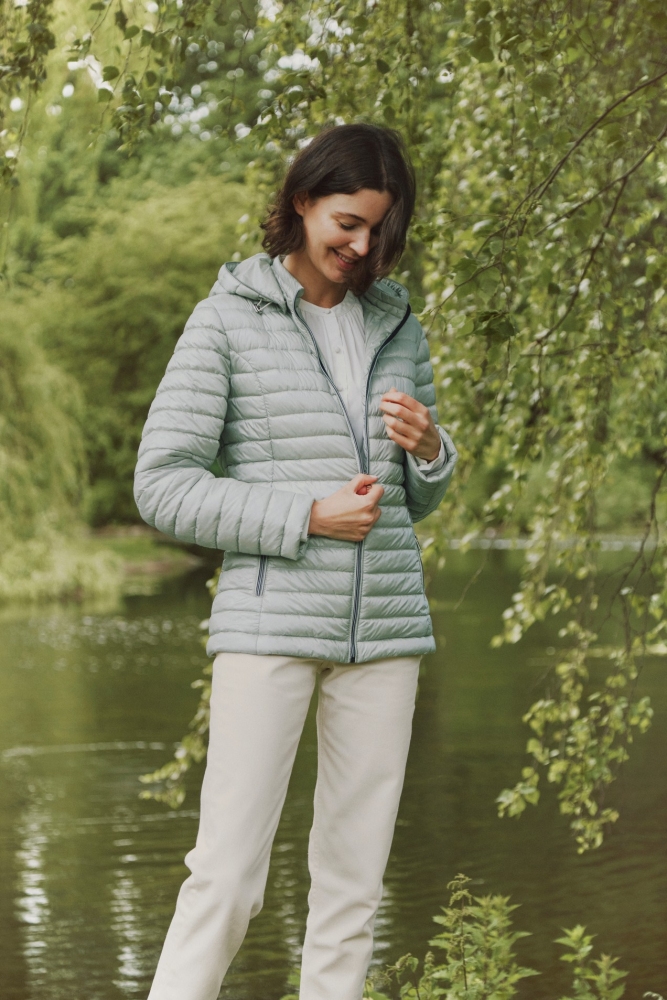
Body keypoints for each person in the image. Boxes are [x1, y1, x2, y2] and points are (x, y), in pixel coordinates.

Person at [133, 122, 457, 1000]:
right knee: (227, 880)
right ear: (303, 200)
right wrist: (306, 516)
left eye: (378, 230)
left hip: (383, 634)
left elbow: (419, 499)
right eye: (347, 223)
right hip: (268, 626)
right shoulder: (226, 319)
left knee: (353, 893)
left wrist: (430, 450)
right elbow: (161, 486)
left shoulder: (398, 325)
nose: (361, 247)